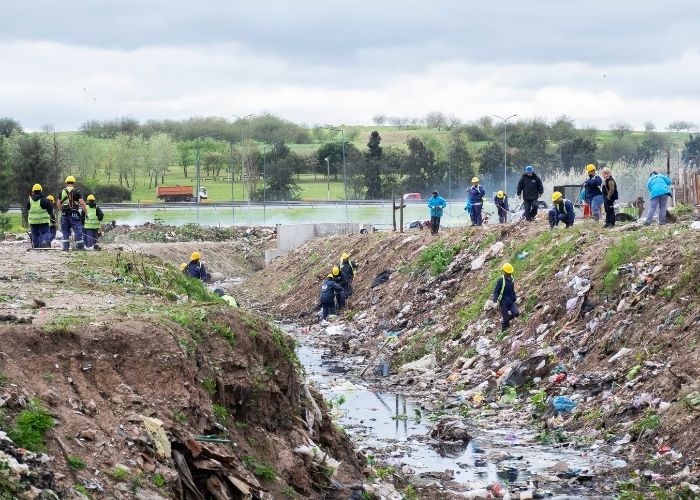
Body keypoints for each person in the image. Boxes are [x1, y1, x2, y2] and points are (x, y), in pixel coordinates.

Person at [59, 175, 88, 251]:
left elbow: (59, 204)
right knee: (78, 231)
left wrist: (61, 211)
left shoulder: (62, 192)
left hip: (64, 214)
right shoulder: (77, 192)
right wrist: (86, 213)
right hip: (74, 214)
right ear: (74, 183)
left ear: (66, 183)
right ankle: (80, 247)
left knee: (65, 231)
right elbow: (82, 203)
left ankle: (65, 247)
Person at [492, 263, 519, 332]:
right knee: (506, 319)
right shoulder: (500, 280)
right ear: (504, 272)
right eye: (508, 272)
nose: (509, 274)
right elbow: (496, 292)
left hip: (511, 301)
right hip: (503, 302)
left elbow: (512, 290)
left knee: (516, 313)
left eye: (510, 272)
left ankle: (505, 320)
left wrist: (515, 299)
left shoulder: (512, 279)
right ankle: (503, 331)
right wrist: (495, 302)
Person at [26, 184, 53, 248]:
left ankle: (36, 246)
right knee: (46, 233)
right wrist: (49, 215)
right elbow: (50, 210)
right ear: (41, 190)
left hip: (33, 221)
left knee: (35, 234)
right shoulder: (44, 200)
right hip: (43, 221)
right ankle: (44, 242)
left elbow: (27, 208)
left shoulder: (29, 200)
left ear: (33, 191)